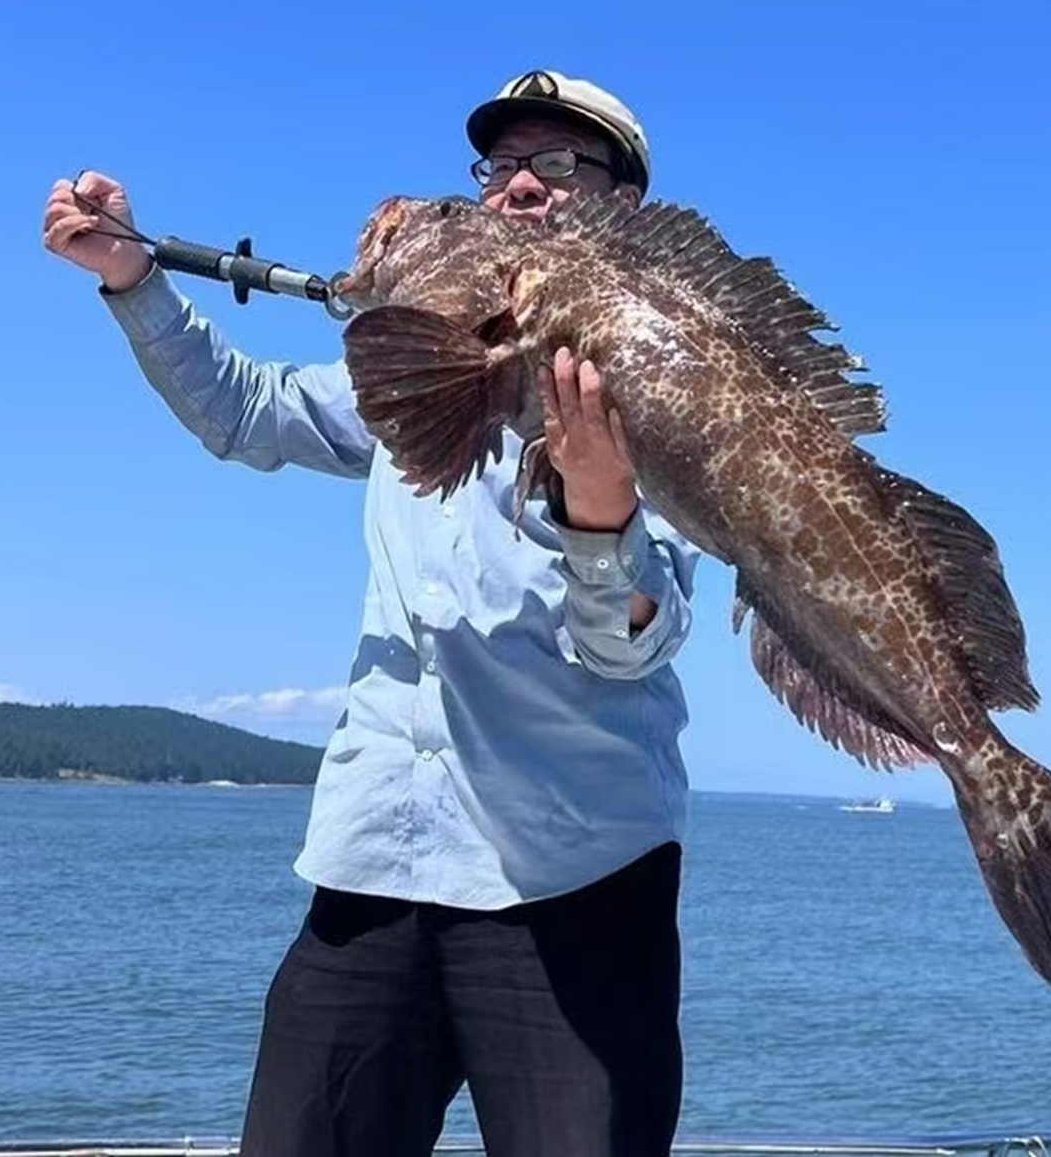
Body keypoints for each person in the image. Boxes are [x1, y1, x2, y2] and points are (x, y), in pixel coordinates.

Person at [42, 69, 703, 1157]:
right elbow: (248, 411)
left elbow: (635, 641)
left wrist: (599, 512)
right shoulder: (414, 373)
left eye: (561, 163)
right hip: (374, 866)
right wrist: (131, 276)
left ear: (628, 208)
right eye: (501, 165)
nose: (522, 186)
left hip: (576, 884)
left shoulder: (664, 384)